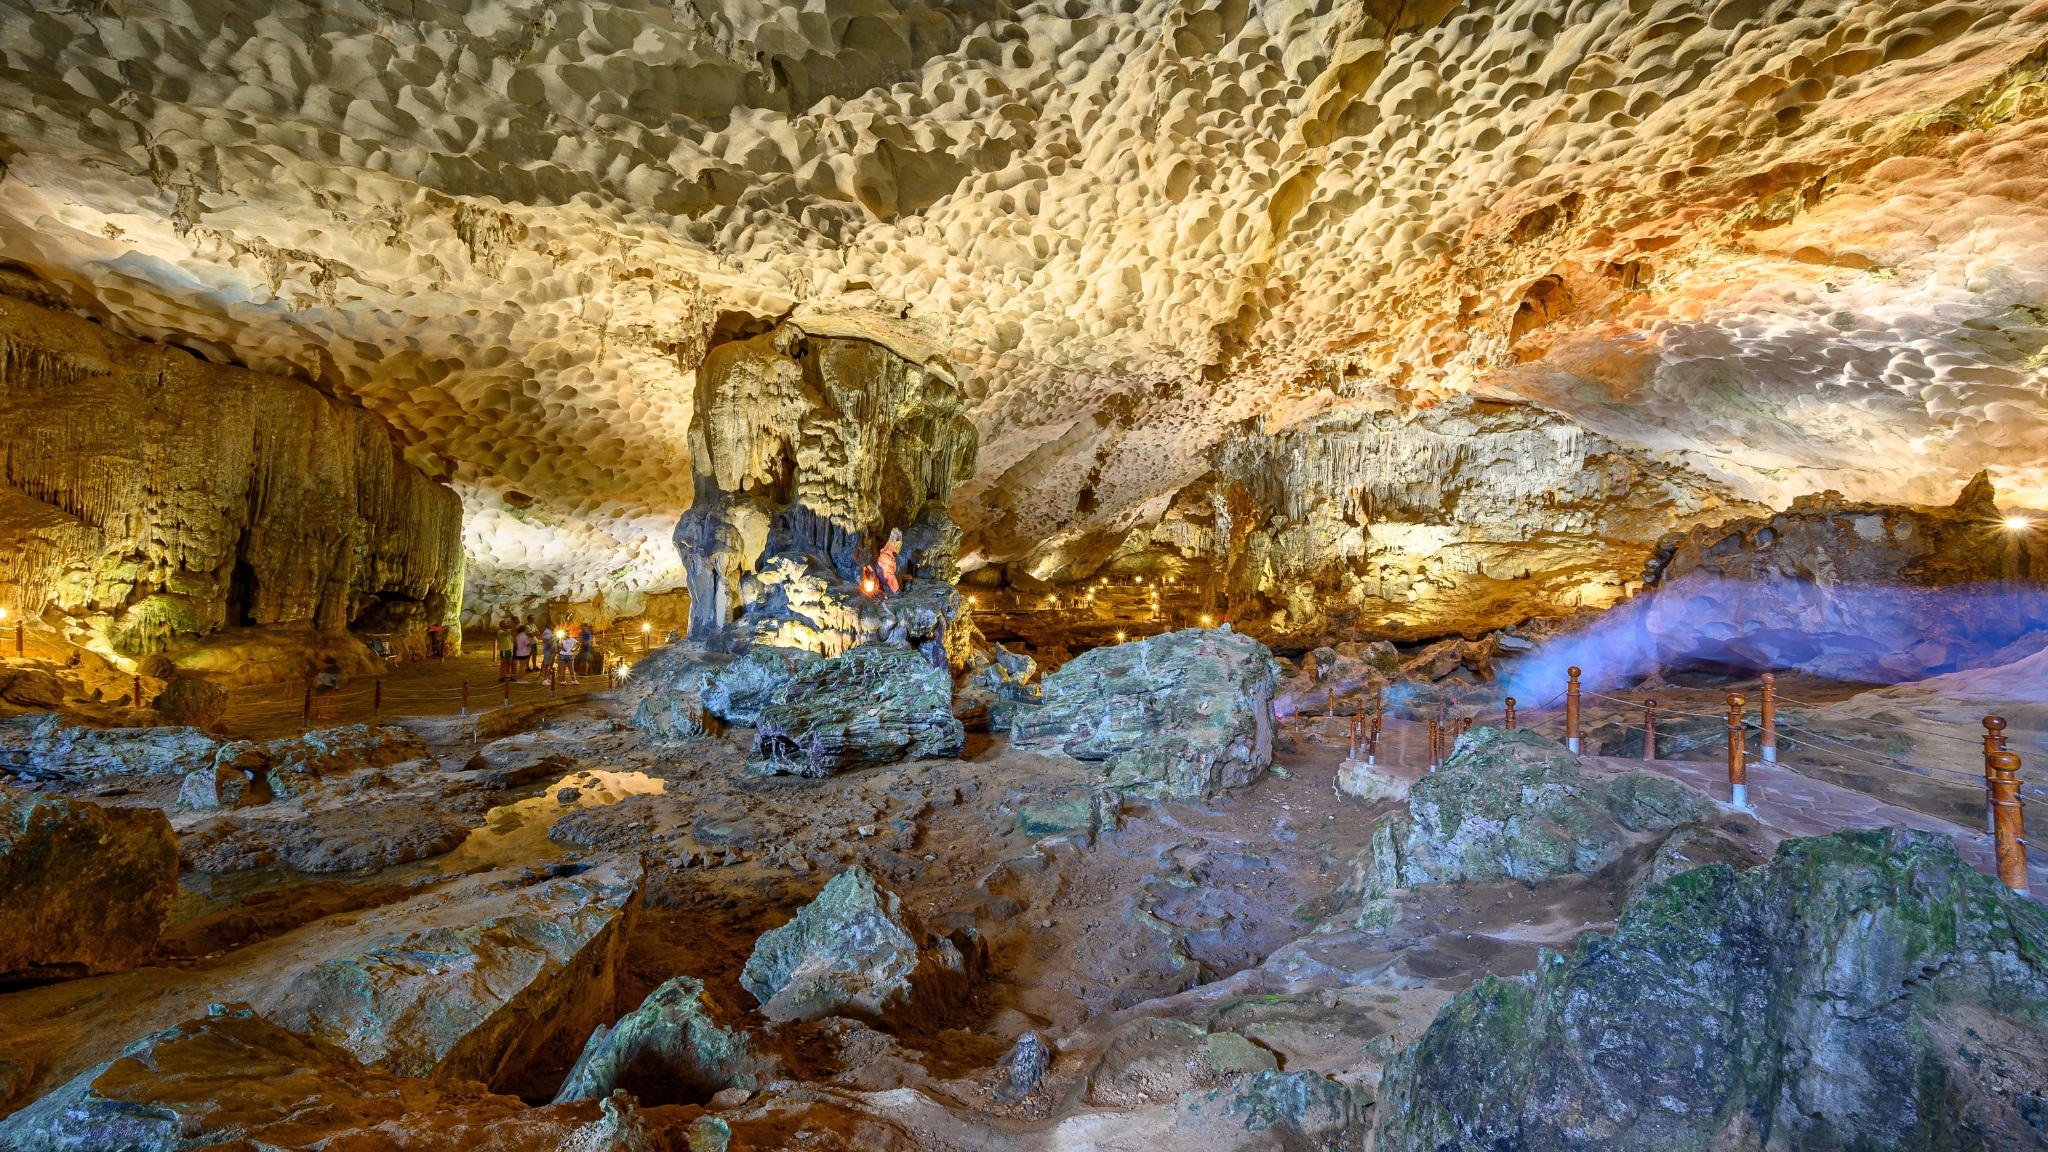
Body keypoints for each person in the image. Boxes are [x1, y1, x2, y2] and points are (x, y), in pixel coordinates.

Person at [877, 526, 903, 594]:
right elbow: (889, 576)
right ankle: (892, 591)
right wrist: (896, 591)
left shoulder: (889, 552)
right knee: (889, 576)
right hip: (886, 579)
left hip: (885, 568)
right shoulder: (887, 557)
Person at [496, 619, 515, 684]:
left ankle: (507, 675)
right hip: (504, 649)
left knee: (509, 663)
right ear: (500, 625)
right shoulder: (500, 631)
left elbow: (516, 630)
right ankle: (501, 677)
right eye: (504, 623)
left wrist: (513, 624)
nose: (506, 624)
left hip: (509, 649)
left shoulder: (508, 630)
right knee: (503, 663)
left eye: (506, 623)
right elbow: (505, 633)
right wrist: (509, 627)